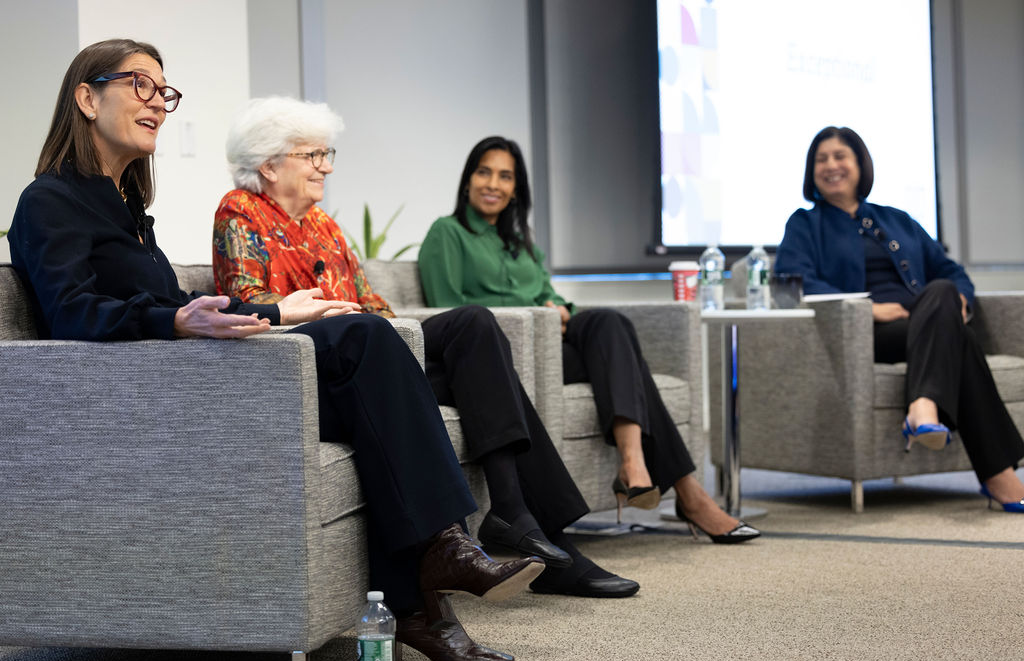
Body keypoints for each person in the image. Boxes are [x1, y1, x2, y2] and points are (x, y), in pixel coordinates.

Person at [8, 39, 546, 661]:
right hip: (152, 396)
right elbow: (73, 312)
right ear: (86, 97)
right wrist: (176, 321)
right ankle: (441, 558)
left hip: (190, 372)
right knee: (366, 342)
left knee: (367, 356)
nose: (158, 103)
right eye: (141, 86)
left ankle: (429, 592)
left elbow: (180, 301)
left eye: (165, 92)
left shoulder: (128, 209)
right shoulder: (48, 202)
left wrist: (277, 312)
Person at [212, 97, 639, 598]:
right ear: (268, 164)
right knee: (477, 359)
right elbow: (248, 301)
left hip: (375, 354)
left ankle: (518, 518)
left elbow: (372, 301)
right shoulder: (240, 211)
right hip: (317, 369)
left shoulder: (324, 226)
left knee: (474, 330)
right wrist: (325, 311)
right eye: (313, 156)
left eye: (327, 154)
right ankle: (536, 531)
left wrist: (387, 330)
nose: (326, 166)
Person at [418, 136, 761, 543]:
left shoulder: (520, 240)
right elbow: (449, 316)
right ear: (467, 180)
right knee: (627, 363)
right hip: (510, 355)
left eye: (505, 176)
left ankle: (634, 463)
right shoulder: (447, 233)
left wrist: (557, 307)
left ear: (516, 190)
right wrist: (540, 316)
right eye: (484, 172)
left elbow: (552, 293)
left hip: (552, 344)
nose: (493, 183)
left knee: (609, 324)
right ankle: (689, 493)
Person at [774, 125, 1024, 513]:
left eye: (840, 156)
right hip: (867, 332)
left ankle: (926, 409)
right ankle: (997, 474)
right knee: (960, 335)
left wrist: (958, 299)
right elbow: (793, 280)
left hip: (925, 323)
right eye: (821, 159)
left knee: (943, 292)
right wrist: (869, 309)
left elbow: (951, 269)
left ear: (860, 164)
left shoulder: (898, 219)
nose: (831, 165)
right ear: (812, 172)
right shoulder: (805, 224)